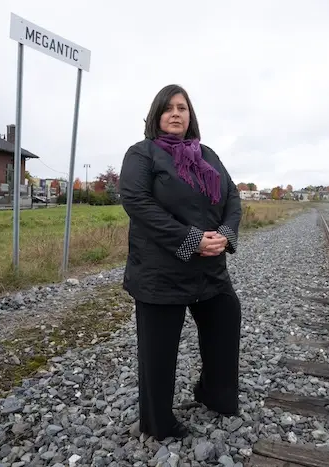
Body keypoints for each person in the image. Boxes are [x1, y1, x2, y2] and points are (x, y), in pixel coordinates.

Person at [119, 84, 242, 440]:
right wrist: (191, 239)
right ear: (157, 115)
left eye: (183, 108)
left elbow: (232, 197)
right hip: (161, 271)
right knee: (159, 351)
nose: (176, 114)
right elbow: (137, 202)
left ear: (191, 117)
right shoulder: (142, 154)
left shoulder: (207, 155)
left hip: (210, 269)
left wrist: (225, 234)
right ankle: (157, 422)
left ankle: (215, 394)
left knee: (226, 319)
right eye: (169, 108)